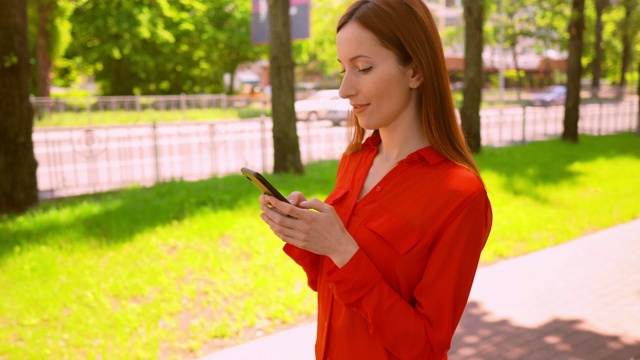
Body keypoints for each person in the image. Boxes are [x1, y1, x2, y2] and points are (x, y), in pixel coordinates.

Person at [258, 0, 492, 358]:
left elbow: (427, 348)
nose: (344, 89)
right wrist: (305, 235)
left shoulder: (461, 195)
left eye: (363, 68)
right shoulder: (356, 159)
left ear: (415, 71)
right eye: (342, 70)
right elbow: (335, 288)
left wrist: (342, 249)